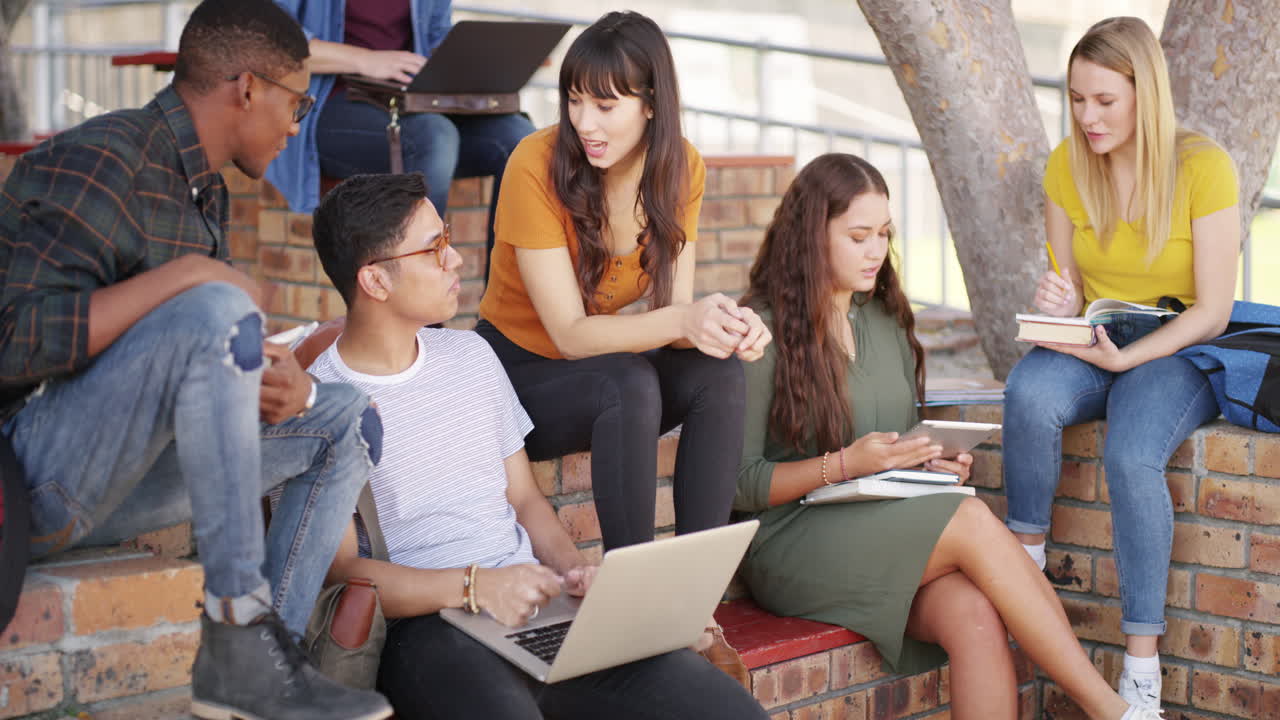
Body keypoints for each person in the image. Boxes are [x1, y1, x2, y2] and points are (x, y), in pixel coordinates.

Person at [0, 2, 392, 719]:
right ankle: (237, 627)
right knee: (213, 307)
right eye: (296, 101)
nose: (297, 125)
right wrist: (189, 281)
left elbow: (190, 357)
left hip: (124, 474)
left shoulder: (203, 188)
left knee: (345, 418)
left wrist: (279, 381)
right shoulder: (102, 157)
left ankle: (271, 668)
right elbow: (15, 338)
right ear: (248, 87)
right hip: (35, 476)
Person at [306, 171, 770, 720]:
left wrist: (577, 575)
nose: (456, 260)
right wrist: (476, 587)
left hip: (536, 604)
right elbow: (342, 572)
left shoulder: (471, 359)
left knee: (726, 710)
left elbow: (524, 500)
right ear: (376, 281)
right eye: (435, 249)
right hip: (429, 630)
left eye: (448, 239)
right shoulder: (321, 403)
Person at [735, 152, 1165, 720]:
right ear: (810, 237)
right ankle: (1109, 709)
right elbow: (740, 485)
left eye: (884, 233)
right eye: (858, 235)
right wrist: (843, 465)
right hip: (791, 541)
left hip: (868, 518)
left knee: (975, 615)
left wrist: (924, 459)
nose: (876, 251)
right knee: (966, 519)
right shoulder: (757, 331)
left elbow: (884, 439)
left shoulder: (882, 318)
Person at [1002, 16, 1239, 711]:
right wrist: (1057, 295)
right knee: (1027, 393)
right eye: (1077, 99)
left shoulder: (1203, 167)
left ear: (1146, 93)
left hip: (1178, 343)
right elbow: (1070, 287)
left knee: (1133, 456)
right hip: (1098, 337)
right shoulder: (1066, 165)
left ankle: (1141, 671)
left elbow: (1214, 310)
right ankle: (1025, 568)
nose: (1087, 116)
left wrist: (1129, 356)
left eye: (1104, 100)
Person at [475, 10, 770, 554]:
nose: (585, 122)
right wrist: (684, 318)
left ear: (651, 104)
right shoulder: (534, 164)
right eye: (575, 100)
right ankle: (632, 598)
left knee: (717, 371)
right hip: (514, 375)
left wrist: (722, 326)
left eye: (606, 105)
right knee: (629, 381)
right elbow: (567, 334)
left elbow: (678, 322)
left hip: (601, 368)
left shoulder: (681, 168)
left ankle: (693, 599)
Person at [268, 0, 534, 267]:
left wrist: (465, 64)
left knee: (520, 140)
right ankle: (419, 295)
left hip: (410, 102)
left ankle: (502, 305)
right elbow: (270, 40)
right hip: (327, 105)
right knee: (434, 137)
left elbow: (435, 36)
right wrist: (364, 59)